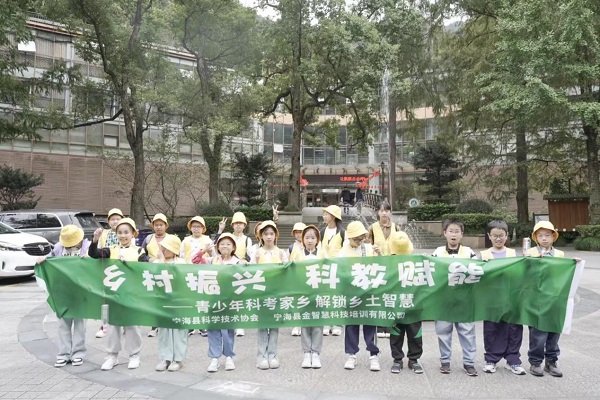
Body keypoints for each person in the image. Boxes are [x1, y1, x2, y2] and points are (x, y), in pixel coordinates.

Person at [88, 218, 149, 371]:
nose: (123, 235)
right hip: (113, 295)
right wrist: (95, 240)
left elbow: (147, 267)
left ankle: (134, 355)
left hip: (132, 295)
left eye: (126, 232)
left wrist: (130, 264)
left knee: (132, 326)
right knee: (112, 327)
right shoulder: (111, 250)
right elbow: (94, 254)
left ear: (133, 234)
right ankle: (112, 356)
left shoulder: (139, 251)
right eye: (120, 232)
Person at [37, 225, 91, 368]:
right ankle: (64, 353)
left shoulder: (87, 247)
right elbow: (49, 260)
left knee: (80, 325)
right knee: (63, 324)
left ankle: (78, 353)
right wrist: (42, 259)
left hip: (81, 292)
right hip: (62, 292)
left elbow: (95, 263)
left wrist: (89, 259)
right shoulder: (58, 248)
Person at [432, 218, 478, 376]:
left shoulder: (469, 252)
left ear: (462, 234)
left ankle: (469, 363)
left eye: (457, 231)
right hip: (443, 300)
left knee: (467, 332)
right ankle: (445, 362)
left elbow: (478, 272)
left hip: (464, 300)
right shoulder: (437, 252)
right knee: (443, 332)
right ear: (444, 233)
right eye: (450, 231)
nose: (453, 234)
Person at [479, 220, 525, 375]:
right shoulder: (483, 255)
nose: (498, 239)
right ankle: (491, 360)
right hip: (492, 299)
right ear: (489, 236)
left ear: (507, 236)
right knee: (491, 328)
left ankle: (513, 360)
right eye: (495, 236)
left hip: (511, 298)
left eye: (501, 235)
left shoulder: (514, 254)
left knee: (514, 328)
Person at [525, 221, 566, 377]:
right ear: (535, 237)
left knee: (554, 331)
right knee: (538, 333)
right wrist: (529, 260)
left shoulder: (560, 255)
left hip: (555, 300)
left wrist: (574, 264)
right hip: (536, 300)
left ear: (553, 237)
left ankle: (551, 361)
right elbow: (524, 273)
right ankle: (535, 362)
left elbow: (564, 273)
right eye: (540, 235)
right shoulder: (529, 253)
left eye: (547, 235)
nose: (544, 238)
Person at [339, 221, 382, 372]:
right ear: (349, 238)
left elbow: (381, 266)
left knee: (370, 324)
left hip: (368, 293)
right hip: (351, 293)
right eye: (356, 238)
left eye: (361, 238)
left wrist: (379, 254)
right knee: (351, 325)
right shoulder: (343, 251)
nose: (359, 241)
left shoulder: (369, 248)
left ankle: (373, 355)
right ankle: (351, 355)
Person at [251, 221, 289, 369]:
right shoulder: (257, 253)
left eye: (271, 234)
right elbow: (251, 272)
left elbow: (287, 271)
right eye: (265, 234)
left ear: (275, 235)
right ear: (261, 236)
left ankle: (273, 355)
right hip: (261, 293)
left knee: (274, 326)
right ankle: (261, 356)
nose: (268, 237)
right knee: (262, 326)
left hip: (276, 293)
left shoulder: (281, 253)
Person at [387, 230, 424, 375]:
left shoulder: (417, 263)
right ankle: (398, 359)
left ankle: (413, 359)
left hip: (412, 304)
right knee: (398, 333)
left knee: (413, 333)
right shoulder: (388, 264)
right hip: (397, 304)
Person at [206, 233, 241, 372]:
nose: (225, 246)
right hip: (213, 300)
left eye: (228, 244)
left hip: (230, 301)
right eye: (222, 244)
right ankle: (214, 358)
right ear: (217, 246)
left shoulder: (238, 262)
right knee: (213, 328)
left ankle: (228, 356)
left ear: (233, 247)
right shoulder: (212, 260)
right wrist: (204, 250)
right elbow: (194, 262)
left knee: (228, 330)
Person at [154, 235, 188, 372]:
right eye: (162, 247)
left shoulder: (182, 262)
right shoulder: (156, 262)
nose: (163, 249)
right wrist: (161, 261)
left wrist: (163, 262)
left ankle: (178, 359)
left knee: (179, 331)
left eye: (167, 247)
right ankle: (165, 358)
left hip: (179, 302)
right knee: (164, 331)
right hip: (162, 301)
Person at [293, 225, 325, 368]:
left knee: (317, 324)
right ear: (303, 240)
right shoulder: (298, 255)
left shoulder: (323, 254)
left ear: (317, 240)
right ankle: (307, 353)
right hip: (303, 294)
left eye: (313, 237)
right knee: (305, 323)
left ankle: (316, 353)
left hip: (318, 294)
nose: (310, 240)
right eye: (307, 238)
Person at [368, 201, 396, 338]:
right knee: (379, 295)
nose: (384, 213)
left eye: (387, 210)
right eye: (381, 210)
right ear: (377, 212)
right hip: (377, 266)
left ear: (390, 212)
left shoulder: (396, 227)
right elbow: (366, 245)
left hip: (392, 265)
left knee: (390, 295)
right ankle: (380, 326)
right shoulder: (372, 228)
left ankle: (389, 325)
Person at [96, 208, 124, 338]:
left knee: (121, 297)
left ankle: (123, 323)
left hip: (121, 269)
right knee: (105, 298)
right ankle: (104, 326)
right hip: (106, 269)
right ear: (108, 221)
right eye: (112, 219)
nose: (115, 221)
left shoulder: (127, 232)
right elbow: (98, 249)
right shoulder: (103, 233)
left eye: (118, 219)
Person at [142, 213, 171, 337]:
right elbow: (141, 254)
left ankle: (166, 323)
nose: (159, 227)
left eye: (161, 225)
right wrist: (149, 259)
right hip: (152, 272)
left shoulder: (171, 239)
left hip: (167, 273)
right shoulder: (148, 239)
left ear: (166, 226)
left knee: (167, 298)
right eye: (156, 225)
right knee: (154, 299)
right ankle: (154, 326)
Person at [320, 205, 345, 336]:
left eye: (327, 214)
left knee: (337, 296)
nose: (324, 216)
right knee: (325, 295)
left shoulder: (342, 232)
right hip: (324, 268)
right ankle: (326, 322)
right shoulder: (322, 232)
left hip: (338, 268)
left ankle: (337, 323)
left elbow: (345, 249)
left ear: (334, 216)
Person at [289, 222, 307, 337]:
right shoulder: (291, 247)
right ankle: (296, 324)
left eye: (300, 232)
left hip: (307, 277)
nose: (298, 234)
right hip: (295, 277)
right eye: (296, 232)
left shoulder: (310, 245)